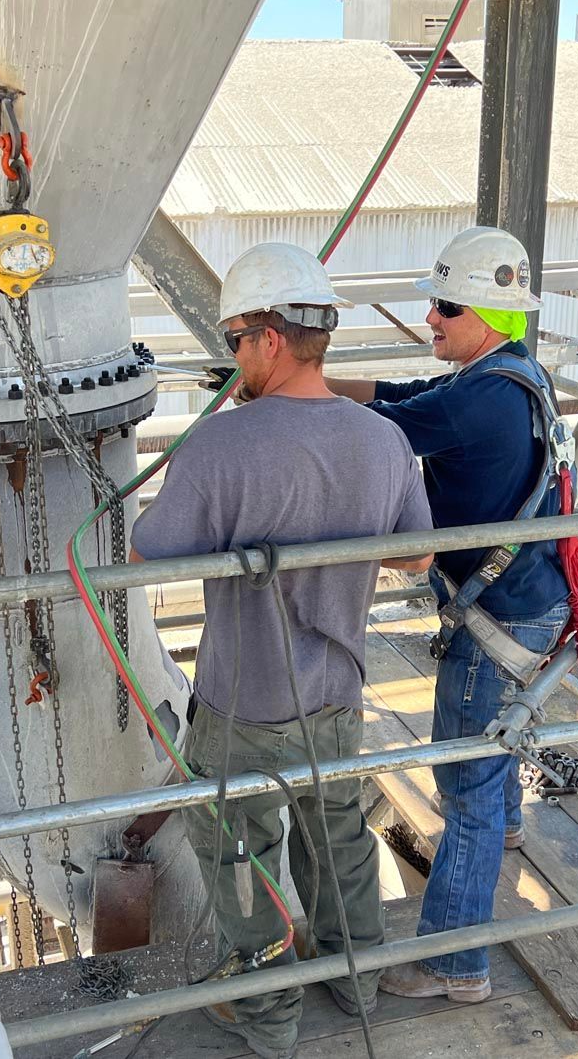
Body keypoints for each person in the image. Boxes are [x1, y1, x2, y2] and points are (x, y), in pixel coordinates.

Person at [130, 241, 434, 1059]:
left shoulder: (220, 446)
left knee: (236, 851)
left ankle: (268, 1015)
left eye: (235, 340)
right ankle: (355, 979)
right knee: (338, 837)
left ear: (268, 338)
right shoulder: (383, 440)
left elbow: (145, 555)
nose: (233, 357)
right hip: (337, 692)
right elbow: (416, 556)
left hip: (242, 703)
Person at [326, 226, 571, 1004]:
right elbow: (406, 398)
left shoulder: (479, 402)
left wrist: (289, 391)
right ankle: (505, 825)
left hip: (496, 618)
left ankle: (454, 965)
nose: (429, 317)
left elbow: (384, 428)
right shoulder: (511, 374)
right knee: (493, 752)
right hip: (529, 599)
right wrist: (322, 381)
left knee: (462, 790)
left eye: (445, 307)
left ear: (489, 316)